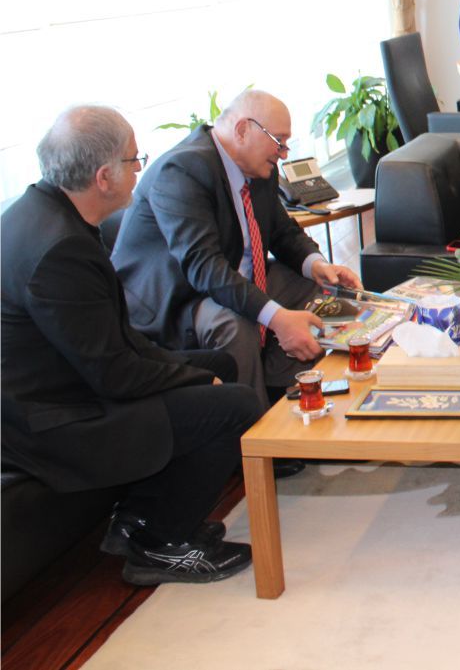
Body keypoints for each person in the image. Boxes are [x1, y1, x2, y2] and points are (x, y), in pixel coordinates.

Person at [2, 106, 262, 585]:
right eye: (134, 160)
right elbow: (115, 374)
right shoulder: (60, 250)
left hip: (72, 383)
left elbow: (113, 344)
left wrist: (199, 372)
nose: (140, 170)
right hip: (57, 421)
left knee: (219, 363)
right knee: (236, 404)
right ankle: (160, 545)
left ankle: (137, 518)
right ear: (103, 177)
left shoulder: (42, 212)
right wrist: (198, 379)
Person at [112, 90, 361, 409]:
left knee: (315, 288)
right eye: (279, 140)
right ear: (243, 129)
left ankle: (283, 395)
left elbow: (282, 231)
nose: (284, 152)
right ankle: (252, 426)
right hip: (179, 301)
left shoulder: (258, 166)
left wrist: (317, 265)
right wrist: (277, 318)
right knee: (235, 324)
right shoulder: (182, 170)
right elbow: (204, 268)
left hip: (230, 280)